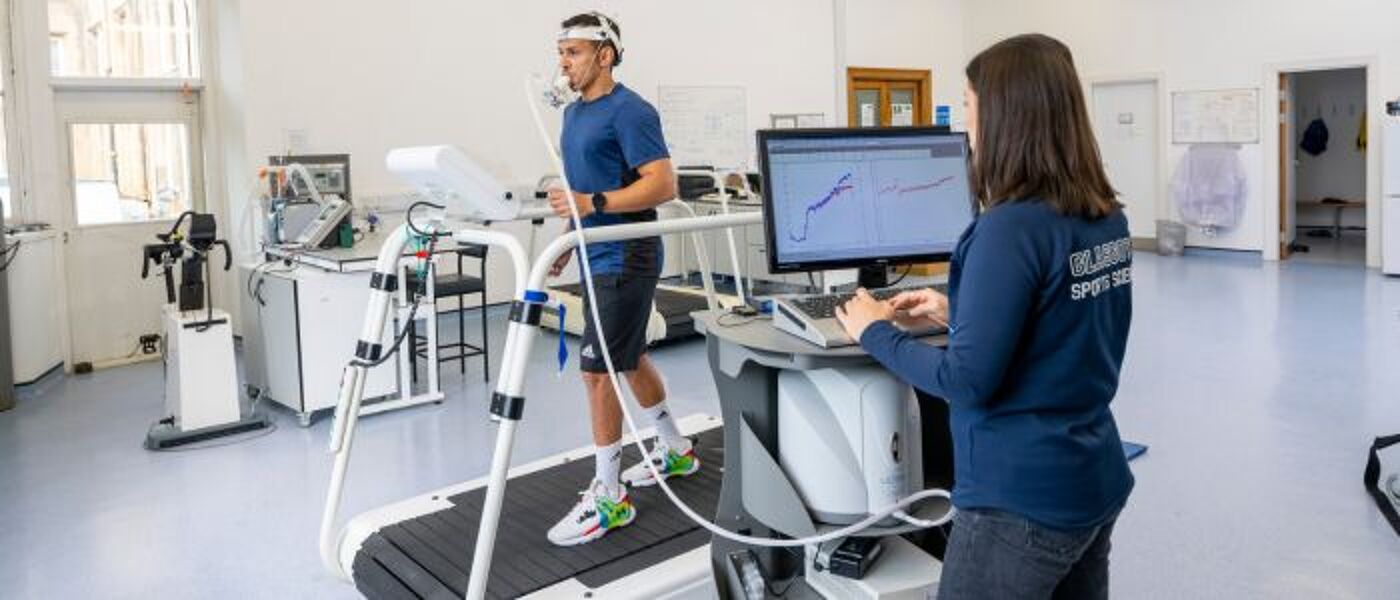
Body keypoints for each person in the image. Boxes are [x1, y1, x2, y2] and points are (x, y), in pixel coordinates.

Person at [835, 33, 1135, 599]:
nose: (965, 119)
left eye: (968, 103)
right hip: (1092, 477)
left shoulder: (1008, 229)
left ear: (1005, 115)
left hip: (1017, 503)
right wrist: (962, 310)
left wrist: (873, 330)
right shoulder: (1104, 215)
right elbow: (1069, 318)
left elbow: (967, 381)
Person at [543, 12, 700, 547]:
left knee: (598, 371)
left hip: (626, 256)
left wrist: (595, 205)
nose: (563, 62)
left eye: (574, 52)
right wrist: (571, 232)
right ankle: (675, 449)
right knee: (627, 357)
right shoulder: (571, 115)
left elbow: (662, 184)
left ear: (604, 54)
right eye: (560, 52)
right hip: (592, 252)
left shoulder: (632, 111)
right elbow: (582, 185)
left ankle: (610, 496)